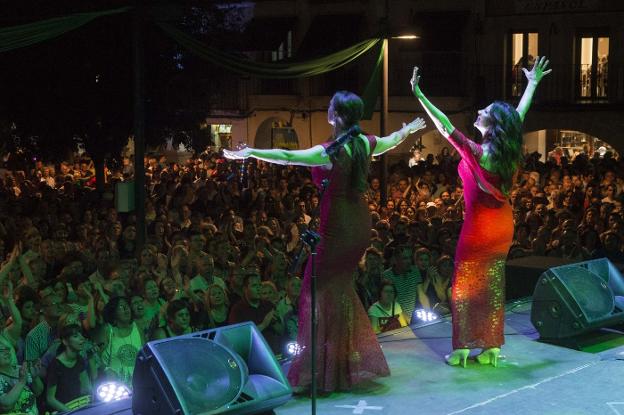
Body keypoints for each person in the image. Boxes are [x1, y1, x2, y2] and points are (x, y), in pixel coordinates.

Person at [225, 90, 425, 392]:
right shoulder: (364, 143)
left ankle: (318, 372)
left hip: (338, 227)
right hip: (359, 224)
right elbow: (390, 142)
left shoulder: (331, 150)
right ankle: (341, 367)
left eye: (330, 107)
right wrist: (407, 129)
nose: (328, 108)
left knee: (313, 293)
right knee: (338, 293)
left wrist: (251, 152)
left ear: (338, 116)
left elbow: (289, 157)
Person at [411, 56, 551, 367]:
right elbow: (518, 113)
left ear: (493, 124)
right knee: (492, 285)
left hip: (478, 228)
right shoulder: (508, 150)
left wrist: (420, 95)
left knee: (464, 286)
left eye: (484, 112)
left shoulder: (477, 152)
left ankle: (462, 348)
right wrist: (532, 84)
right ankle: (491, 347)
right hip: (502, 226)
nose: (478, 112)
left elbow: (444, 125)